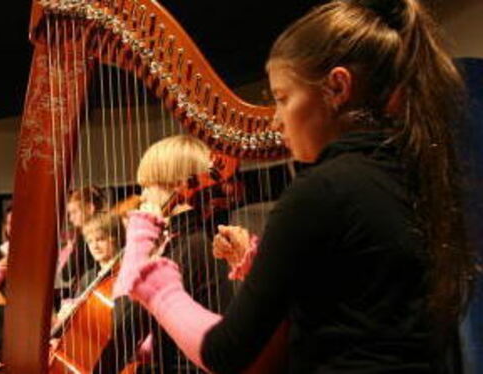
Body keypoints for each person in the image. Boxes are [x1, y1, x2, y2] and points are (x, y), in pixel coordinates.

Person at [115, 0, 476, 373]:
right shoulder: (415, 175)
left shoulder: (323, 190)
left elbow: (226, 354)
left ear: (337, 87)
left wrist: (159, 289)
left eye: (283, 98)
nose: (276, 121)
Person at [97, 135, 233, 373]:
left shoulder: (193, 247)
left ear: (178, 184)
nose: (143, 196)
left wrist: (138, 239)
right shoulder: (184, 242)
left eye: (149, 185)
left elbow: (122, 332)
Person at [54, 186, 106, 303]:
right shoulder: (105, 229)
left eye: (74, 212)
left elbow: (66, 273)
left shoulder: (85, 237)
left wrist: (68, 251)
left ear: (90, 208)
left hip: (89, 290)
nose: (71, 219)